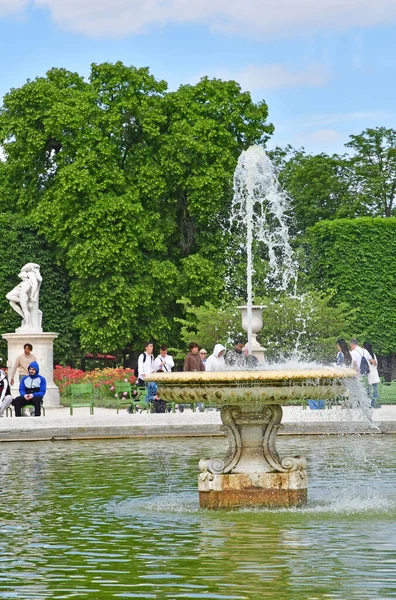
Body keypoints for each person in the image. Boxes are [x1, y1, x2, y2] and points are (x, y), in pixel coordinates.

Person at [6, 263, 43, 330]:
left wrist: (32, 296)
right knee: (10, 301)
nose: (21, 278)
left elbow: (36, 283)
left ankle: (28, 325)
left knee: (25, 310)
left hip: (23, 296)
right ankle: (26, 319)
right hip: (21, 296)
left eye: (22, 277)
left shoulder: (29, 281)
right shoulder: (23, 282)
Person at [363, 341, 381, 407]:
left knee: (368, 389)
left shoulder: (365, 355)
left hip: (367, 374)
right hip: (374, 373)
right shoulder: (373, 355)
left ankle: (369, 403)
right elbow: (376, 364)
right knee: (375, 389)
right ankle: (374, 403)